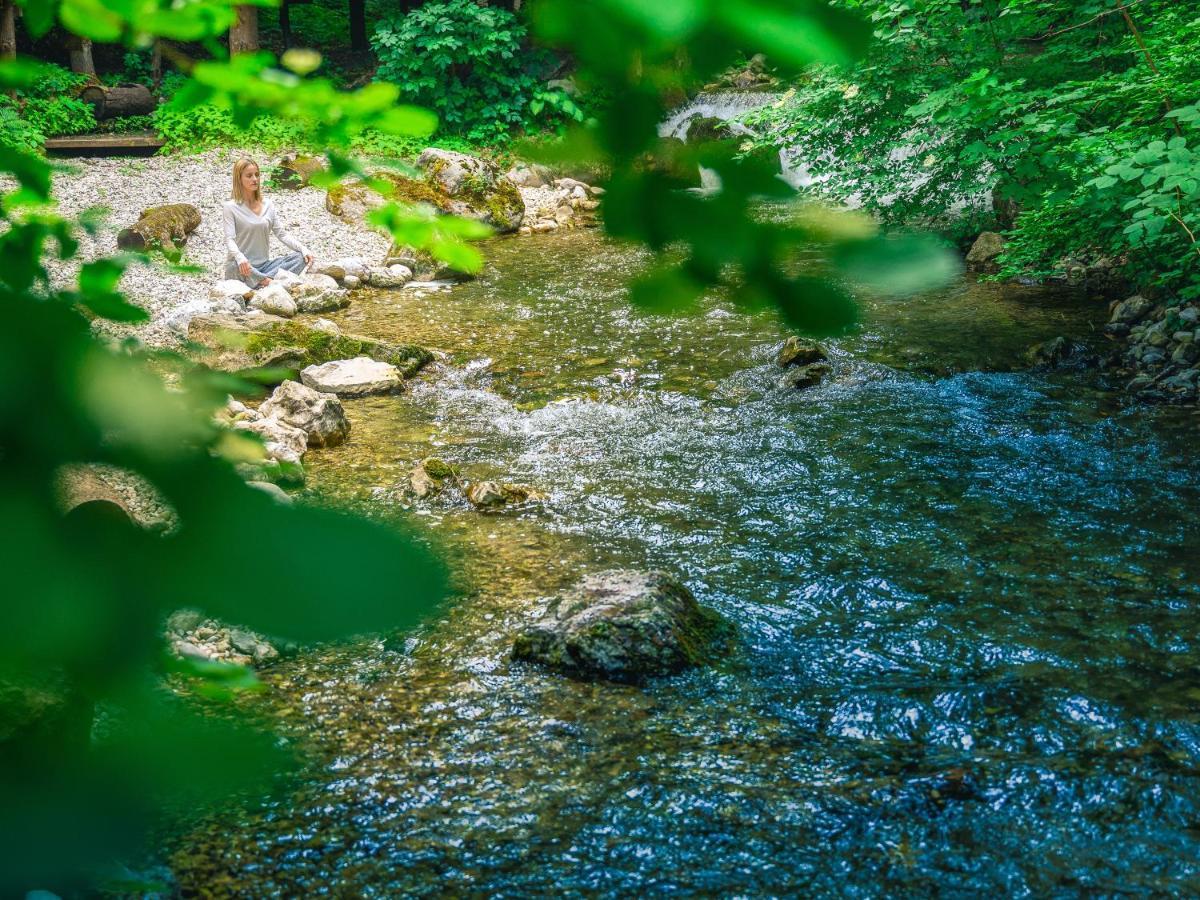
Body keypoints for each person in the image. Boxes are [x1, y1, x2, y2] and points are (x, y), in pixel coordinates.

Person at [223, 157, 314, 287]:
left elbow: (281, 234)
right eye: (249, 176)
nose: (255, 179)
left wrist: (303, 248)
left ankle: (263, 281)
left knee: (300, 258)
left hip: (265, 267)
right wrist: (240, 257)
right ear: (239, 179)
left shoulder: (268, 205)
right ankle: (267, 281)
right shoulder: (230, 207)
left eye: (257, 175)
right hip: (242, 267)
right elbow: (229, 239)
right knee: (233, 266)